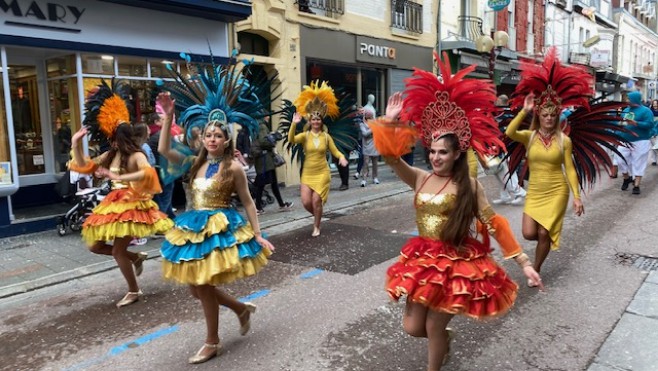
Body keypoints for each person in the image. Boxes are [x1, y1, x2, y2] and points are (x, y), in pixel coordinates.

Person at [370, 54, 542, 370]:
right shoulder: (420, 178)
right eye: (432, 151)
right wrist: (389, 122)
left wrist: (524, 262)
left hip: (456, 264)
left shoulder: (469, 185)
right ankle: (444, 341)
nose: (435, 157)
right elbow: (392, 159)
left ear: (456, 154)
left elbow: (495, 222)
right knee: (413, 328)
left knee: (434, 326)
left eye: (442, 152)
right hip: (423, 261)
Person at [157, 53, 276, 364]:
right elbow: (163, 149)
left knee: (203, 288)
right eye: (208, 134)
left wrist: (258, 234)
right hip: (194, 228)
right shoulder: (194, 161)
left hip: (220, 229)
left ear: (226, 140)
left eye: (218, 135)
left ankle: (212, 341)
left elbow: (249, 201)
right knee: (197, 290)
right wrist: (169, 116)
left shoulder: (233, 167)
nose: (211, 138)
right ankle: (240, 308)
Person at [68, 80, 173, 308]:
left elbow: (148, 174)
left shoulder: (136, 155)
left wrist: (119, 178)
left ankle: (134, 290)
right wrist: (76, 143)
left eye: (112, 137)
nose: (109, 140)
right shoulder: (110, 155)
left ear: (120, 138)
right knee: (94, 246)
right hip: (113, 205)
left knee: (117, 250)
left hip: (132, 207)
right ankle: (135, 257)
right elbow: (83, 165)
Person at [288, 81, 349, 237]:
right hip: (307, 173)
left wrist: (342, 158)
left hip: (322, 172)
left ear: (321, 121)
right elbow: (291, 139)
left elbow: (335, 151)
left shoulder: (326, 137)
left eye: (318, 119)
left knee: (316, 200)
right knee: (306, 202)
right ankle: (318, 215)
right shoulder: (305, 136)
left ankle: (316, 226)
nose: (316, 121)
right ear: (310, 120)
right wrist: (294, 124)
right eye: (313, 119)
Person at [252, 116, 293, 214]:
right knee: (261, 184)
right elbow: (263, 141)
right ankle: (257, 207)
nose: (269, 118)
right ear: (265, 117)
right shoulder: (262, 126)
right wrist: (273, 139)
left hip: (265, 160)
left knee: (272, 182)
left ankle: (281, 204)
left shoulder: (257, 125)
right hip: (265, 160)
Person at [616, 91, 655, 194]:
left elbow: (650, 124)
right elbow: (621, 123)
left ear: (635, 99)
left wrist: (636, 123)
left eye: (629, 98)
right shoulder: (626, 110)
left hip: (641, 140)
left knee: (638, 162)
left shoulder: (646, 111)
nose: (627, 100)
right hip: (624, 140)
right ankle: (626, 178)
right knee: (620, 159)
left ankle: (636, 185)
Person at [490, 94, 526, 205]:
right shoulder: (508, 112)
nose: (495, 101)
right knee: (500, 171)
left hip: (504, 147)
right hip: (503, 146)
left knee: (505, 171)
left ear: (502, 101)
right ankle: (505, 196)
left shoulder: (502, 113)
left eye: (497, 100)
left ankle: (520, 193)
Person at [358, 108, 380, 186]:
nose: (370, 118)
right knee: (366, 163)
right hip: (366, 146)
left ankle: (375, 177)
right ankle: (364, 179)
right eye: (368, 116)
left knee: (375, 163)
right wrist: (373, 129)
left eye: (371, 116)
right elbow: (365, 133)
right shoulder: (362, 124)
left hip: (375, 145)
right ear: (366, 116)